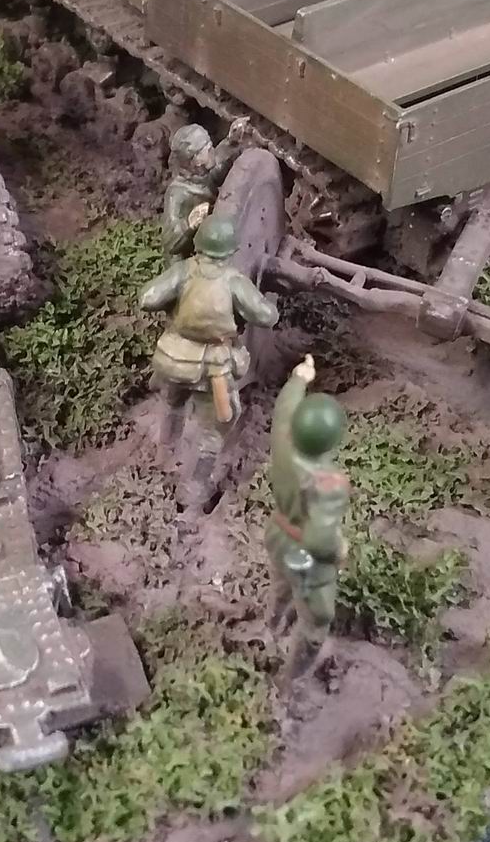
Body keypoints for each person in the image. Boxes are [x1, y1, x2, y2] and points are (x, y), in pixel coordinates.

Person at [138, 213, 279, 485]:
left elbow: (147, 298)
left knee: (172, 402)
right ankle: (195, 487)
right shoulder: (234, 281)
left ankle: (164, 450)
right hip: (213, 369)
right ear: (231, 250)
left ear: (198, 244)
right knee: (216, 428)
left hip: (174, 360)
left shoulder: (183, 271)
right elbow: (267, 316)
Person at [265, 355, 351, 675]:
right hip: (306, 556)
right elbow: (320, 540)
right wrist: (339, 551)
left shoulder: (283, 441)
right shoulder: (329, 484)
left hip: (278, 532)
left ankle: (271, 623)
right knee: (318, 621)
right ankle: (292, 679)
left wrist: (299, 377)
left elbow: (285, 407)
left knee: (280, 582)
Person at [160, 120, 249, 258]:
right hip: (189, 258)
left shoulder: (201, 178)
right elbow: (170, 243)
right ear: (195, 160)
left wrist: (231, 141)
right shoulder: (177, 194)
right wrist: (190, 224)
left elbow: (217, 169)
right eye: (208, 150)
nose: (213, 151)